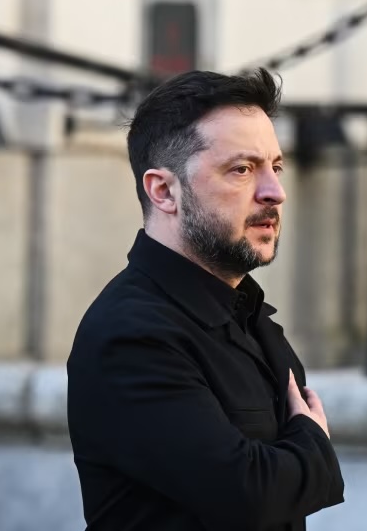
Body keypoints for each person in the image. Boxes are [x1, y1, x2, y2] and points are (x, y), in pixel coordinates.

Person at [67, 68, 344, 531]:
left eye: (275, 167)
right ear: (164, 191)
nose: (275, 192)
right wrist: (314, 444)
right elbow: (250, 497)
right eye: (241, 169)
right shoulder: (131, 335)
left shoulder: (250, 316)